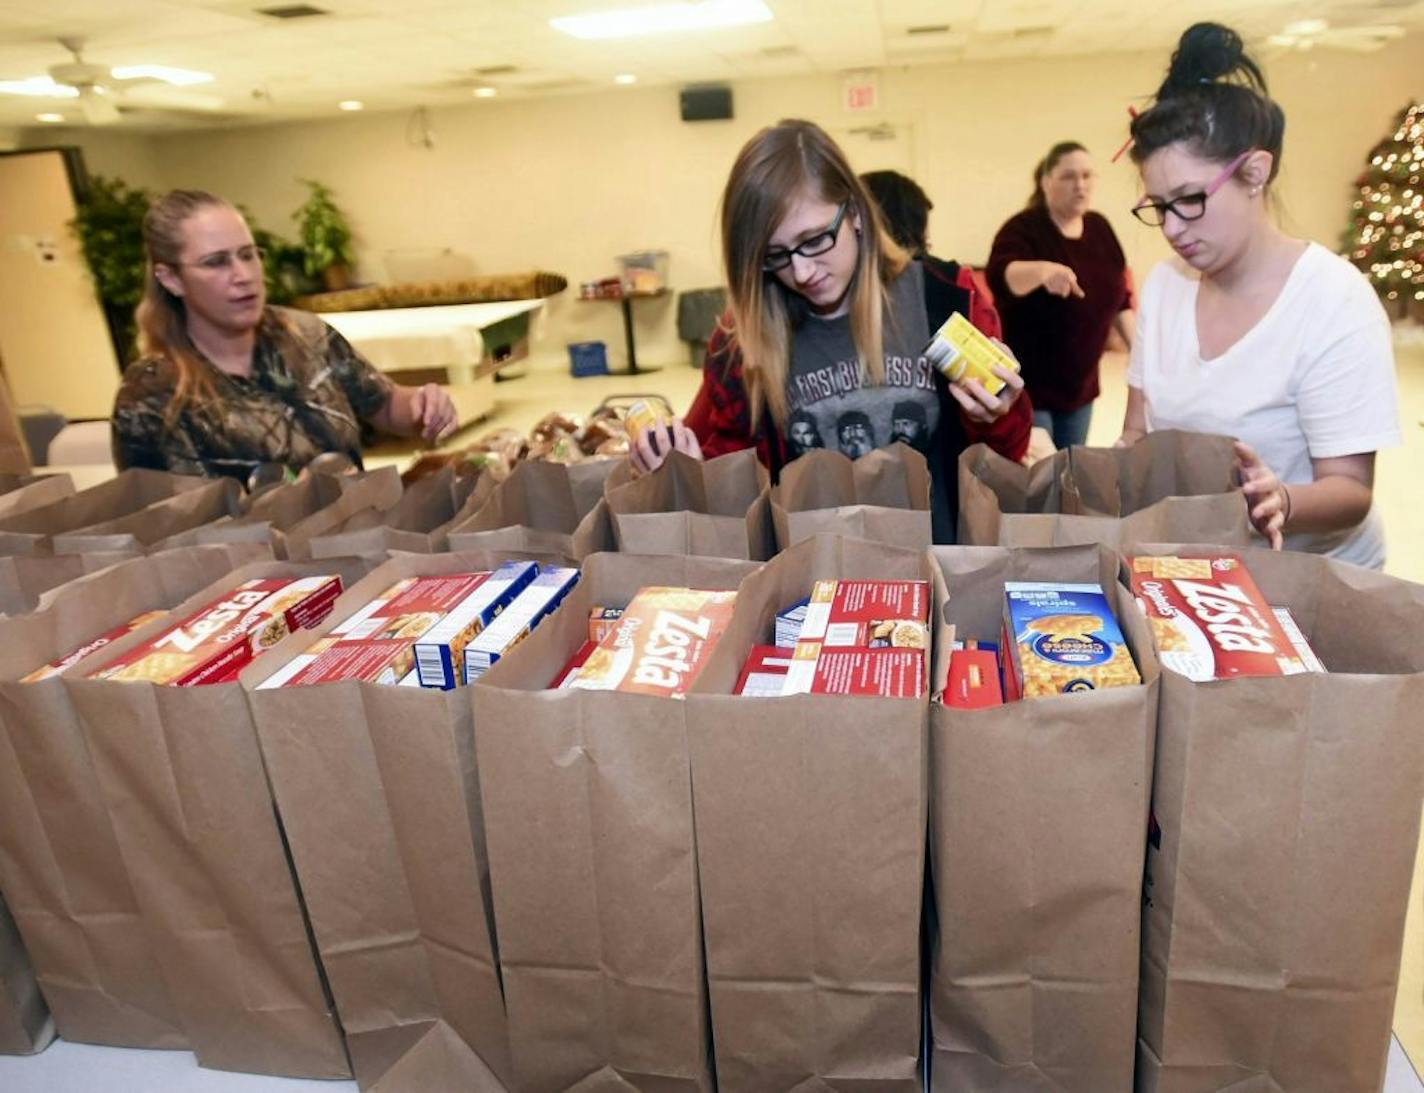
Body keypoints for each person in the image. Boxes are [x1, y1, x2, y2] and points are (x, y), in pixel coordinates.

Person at [628, 119, 1030, 543]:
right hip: (811, 577)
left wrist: (999, 414)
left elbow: (1005, 458)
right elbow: (738, 484)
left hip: (938, 569)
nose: (800, 272)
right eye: (775, 255)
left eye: (814, 239)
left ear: (854, 212)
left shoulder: (946, 298)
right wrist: (684, 475)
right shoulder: (741, 340)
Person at [1119, 23, 1401, 567]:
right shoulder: (1164, 288)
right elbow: (1136, 432)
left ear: (1254, 172)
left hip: (1311, 575)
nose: (1173, 228)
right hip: (1199, 564)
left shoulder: (1333, 301)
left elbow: (1349, 489)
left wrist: (1282, 499)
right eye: (1158, 206)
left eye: (1189, 199)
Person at [111, 189, 458, 483]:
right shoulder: (151, 395)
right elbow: (163, 527)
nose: (243, 275)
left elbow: (383, 405)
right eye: (216, 262)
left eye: (248, 255)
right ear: (170, 279)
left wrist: (422, 406)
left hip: (356, 543)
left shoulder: (306, 335)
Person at [986, 142, 1134, 450]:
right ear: (1045, 181)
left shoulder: (1099, 227)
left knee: (1070, 472)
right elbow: (1002, 276)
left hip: (1080, 388)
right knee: (1039, 478)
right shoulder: (1023, 228)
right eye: (1068, 176)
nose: (1080, 185)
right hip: (1030, 389)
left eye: (1087, 175)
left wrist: (1141, 351)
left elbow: (1121, 298)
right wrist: (1042, 272)